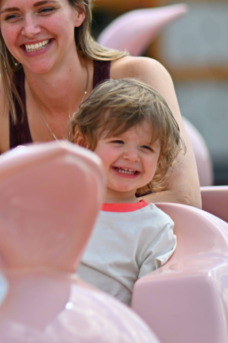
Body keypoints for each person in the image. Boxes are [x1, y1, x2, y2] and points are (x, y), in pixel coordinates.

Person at [0, 0, 201, 208]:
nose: (29, 29)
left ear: (79, 12)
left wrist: (66, 217)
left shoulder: (140, 76)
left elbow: (185, 198)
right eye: (12, 16)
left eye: (45, 9)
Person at [67, 79, 181, 305]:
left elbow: (151, 304)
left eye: (146, 147)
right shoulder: (57, 208)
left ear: (159, 158)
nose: (131, 156)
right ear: (83, 144)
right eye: (118, 141)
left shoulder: (154, 228)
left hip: (111, 323)